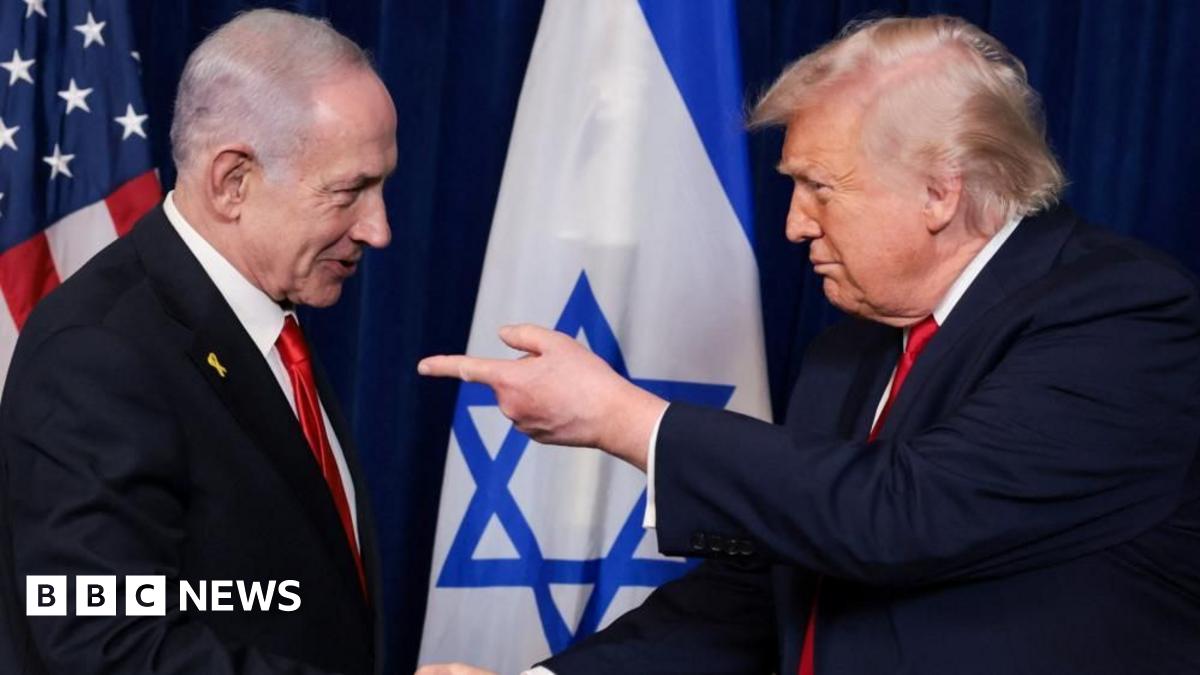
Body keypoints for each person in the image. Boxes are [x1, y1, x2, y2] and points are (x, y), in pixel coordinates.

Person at [417, 15, 1200, 675]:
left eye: (819, 187)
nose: (795, 224)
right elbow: (758, 596)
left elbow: (906, 514)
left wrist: (627, 419)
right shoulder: (849, 352)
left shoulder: (1123, 314)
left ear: (940, 191)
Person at [0, 9, 395, 674]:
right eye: (349, 191)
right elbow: (108, 649)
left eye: (381, 185)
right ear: (232, 181)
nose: (378, 229)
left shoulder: (266, 313)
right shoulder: (97, 354)